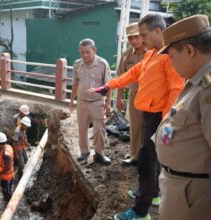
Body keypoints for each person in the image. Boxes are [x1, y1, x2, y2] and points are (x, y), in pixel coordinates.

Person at [88, 14, 185, 220]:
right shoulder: (152, 53)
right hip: (150, 113)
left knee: (147, 160)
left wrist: (166, 123)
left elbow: (175, 90)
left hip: (160, 116)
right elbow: (132, 73)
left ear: (158, 31)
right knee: (153, 157)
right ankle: (154, 193)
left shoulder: (170, 55)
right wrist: (108, 87)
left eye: (143, 34)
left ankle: (141, 211)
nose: (140, 39)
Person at [155, 14, 211, 220]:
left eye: (171, 56)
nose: (171, 63)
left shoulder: (207, 89)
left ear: (189, 50)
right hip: (181, 186)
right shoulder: (196, 82)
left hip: (193, 194)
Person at [69, 38, 111, 165]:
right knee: (82, 128)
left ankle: (99, 154)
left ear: (94, 50)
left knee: (99, 129)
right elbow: (75, 84)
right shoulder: (77, 64)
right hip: (81, 102)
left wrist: (108, 103)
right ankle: (84, 152)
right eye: (82, 52)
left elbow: (109, 85)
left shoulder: (102, 64)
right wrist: (71, 100)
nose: (85, 55)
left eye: (88, 52)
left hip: (97, 102)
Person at [117, 23, 146, 166]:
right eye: (130, 38)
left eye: (136, 37)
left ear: (142, 36)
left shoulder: (154, 52)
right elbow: (120, 78)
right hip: (135, 96)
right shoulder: (127, 55)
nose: (134, 41)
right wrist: (118, 99)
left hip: (155, 97)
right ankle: (135, 156)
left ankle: (152, 159)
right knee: (135, 127)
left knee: (152, 128)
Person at [0, 132, 14, 202]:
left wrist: (0, 172)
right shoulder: (8, 147)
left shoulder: (6, 154)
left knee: (7, 191)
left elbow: (7, 167)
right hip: (8, 175)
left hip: (6, 176)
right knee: (6, 188)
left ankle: (8, 203)